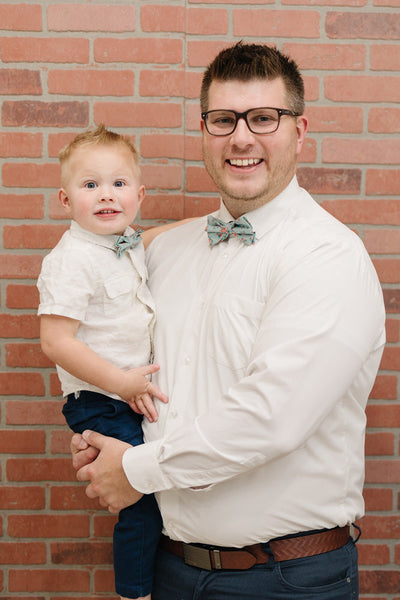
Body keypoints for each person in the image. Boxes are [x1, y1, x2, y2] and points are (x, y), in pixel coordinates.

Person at [71, 43, 386, 600]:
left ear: (299, 130)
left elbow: (272, 417)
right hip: (170, 567)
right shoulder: (169, 252)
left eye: (264, 118)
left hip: (286, 578)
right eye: (223, 120)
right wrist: (104, 433)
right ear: (205, 131)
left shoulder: (328, 256)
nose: (242, 138)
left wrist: (136, 469)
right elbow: (110, 336)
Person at [37, 124, 180, 600]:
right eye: (90, 184)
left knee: (163, 488)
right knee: (139, 501)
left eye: (119, 184)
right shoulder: (72, 258)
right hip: (102, 398)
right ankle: (135, 593)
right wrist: (120, 383)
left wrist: (205, 226)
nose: (106, 195)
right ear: (64, 199)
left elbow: (153, 237)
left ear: (139, 194)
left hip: (126, 393)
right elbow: (56, 341)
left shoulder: (124, 242)